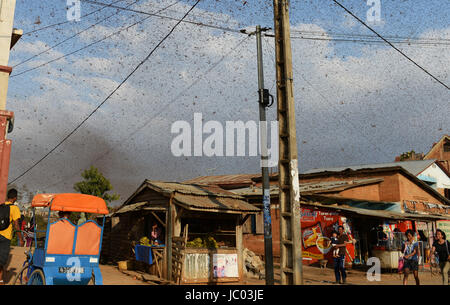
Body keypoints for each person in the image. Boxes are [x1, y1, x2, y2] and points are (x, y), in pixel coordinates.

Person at [0, 189, 23, 285]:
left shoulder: (1, 206)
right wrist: (20, 239)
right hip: (5, 237)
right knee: (1, 260)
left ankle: (0, 279)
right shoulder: (14, 208)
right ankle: (0, 280)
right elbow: (16, 225)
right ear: (15, 198)